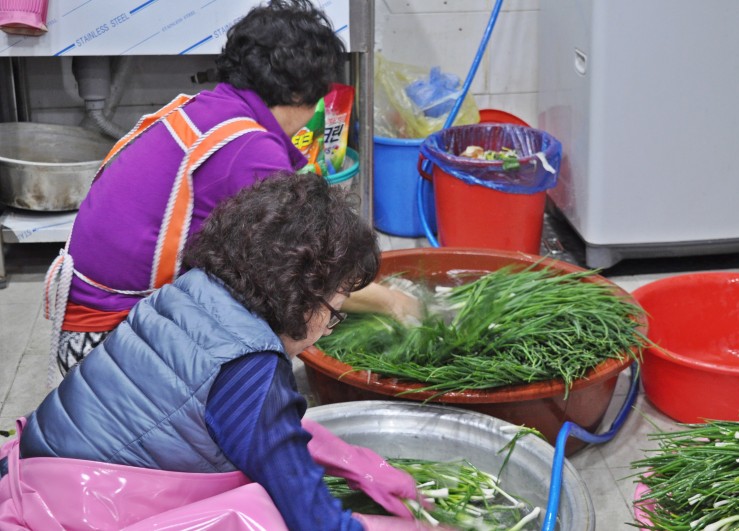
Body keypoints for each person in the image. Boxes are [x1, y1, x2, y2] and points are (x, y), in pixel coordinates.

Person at [1, 173, 430, 530]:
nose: (328, 327)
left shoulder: (194, 291)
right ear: (302, 297)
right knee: (256, 514)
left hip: (26, 476)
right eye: (334, 312)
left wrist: (359, 465)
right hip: (65, 517)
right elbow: (315, 522)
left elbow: (267, 431)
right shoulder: (250, 369)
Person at [44, 0, 419, 382]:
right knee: (285, 316)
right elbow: (303, 276)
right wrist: (392, 301)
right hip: (105, 349)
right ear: (297, 94)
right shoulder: (249, 150)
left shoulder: (206, 110)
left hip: (76, 326)